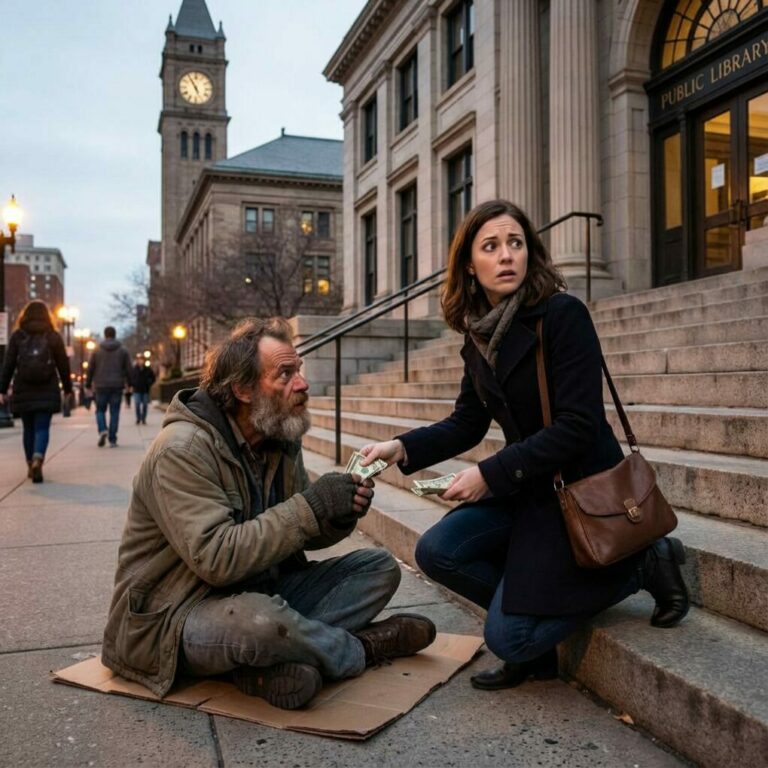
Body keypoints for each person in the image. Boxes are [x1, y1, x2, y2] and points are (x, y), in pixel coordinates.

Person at [360, 200, 688, 691]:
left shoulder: (562, 315)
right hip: (528, 489)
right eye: (491, 246)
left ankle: (644, 563)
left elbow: (579, 425)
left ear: (530, 253)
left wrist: (489, 474)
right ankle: (531, 604)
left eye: (515, 243)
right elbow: (467, 423)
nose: (506, 255)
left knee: (510, 640)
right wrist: (401, 448)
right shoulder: (479, 336)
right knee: (437, 550)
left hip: (578, 487)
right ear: (470, 264)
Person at [101, 317, 435, 710]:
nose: (302, 384)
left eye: (300, 370)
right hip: (175, 616)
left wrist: (338, 513)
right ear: (242, 389)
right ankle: (362, 647)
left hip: (262, 587)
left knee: (379, 568)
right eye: (285, 374)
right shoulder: (181, 450)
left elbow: (300, 532)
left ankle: (262, 663)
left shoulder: (277, 433)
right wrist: (312, 506)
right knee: (259, 623)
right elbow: (218, 559)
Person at [0, 300, 72, 483]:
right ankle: (38, 458)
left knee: (28, 428)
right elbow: (63, 364)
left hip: (23, 388)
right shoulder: (53, 336)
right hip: (47, 388)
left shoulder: (18, 336)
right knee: (42, 426)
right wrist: (68, 388)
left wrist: (2, 388)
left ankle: (30, 461)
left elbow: (8, 364)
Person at [85, 326, 132, 447]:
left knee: (100, 410)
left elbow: (90, 368)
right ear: (115, 335)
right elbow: (129, 369)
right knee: (114, 412)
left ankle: (102, 429)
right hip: (117, 385)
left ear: (105, 335)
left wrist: (88, 383)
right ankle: (112, 439)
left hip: (100, 385)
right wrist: (130, 383)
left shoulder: (96, 351)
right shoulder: (123, 350)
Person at [129, 353, 156, 425]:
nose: (140, 361)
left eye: (141, 360)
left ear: (143, 361)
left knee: (145, 405)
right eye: (139, 360)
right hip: (136, 390)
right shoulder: (134, 369)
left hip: (145, 390)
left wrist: (149, 383)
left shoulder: (148, 369)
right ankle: (138, 418)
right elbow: (130, 378)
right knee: (137, 404)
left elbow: (153, 378)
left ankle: (143, 418)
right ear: (137, 361)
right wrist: (131, 385)